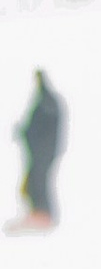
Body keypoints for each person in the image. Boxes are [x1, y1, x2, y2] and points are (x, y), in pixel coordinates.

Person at [12, 71, 63, 230]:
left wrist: (29, 132)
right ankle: (37, 211)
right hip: (39, 151)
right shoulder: (42, 101)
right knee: (34, 180)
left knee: (39, 180)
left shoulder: (48, 102)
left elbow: (42, 127)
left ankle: (43, 213)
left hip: (44, 151)